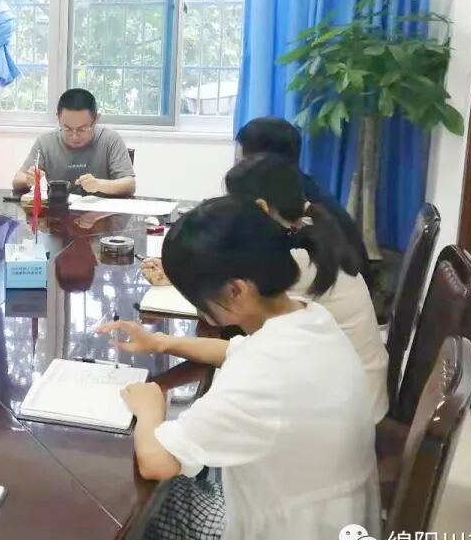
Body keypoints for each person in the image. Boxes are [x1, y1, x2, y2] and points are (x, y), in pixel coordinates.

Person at [99, 197, 379, 540]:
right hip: (323, 522)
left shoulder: (262, 375)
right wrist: (161, 343)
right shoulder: (307, 317)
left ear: (235, 291)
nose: (202, 313)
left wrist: (150, 409)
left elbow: (157, 462)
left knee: (141, 524)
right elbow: (234, 350)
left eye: (200, 303)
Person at [142, 154, 389, 424]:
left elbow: (223, 304)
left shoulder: (289, 261)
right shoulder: (307, 234)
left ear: (260, 208)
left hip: (346, 413)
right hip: (350, 393)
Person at [236, 116, 369, 268]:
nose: (237, 169)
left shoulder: (288, 208)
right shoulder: (304, 188)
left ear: (259, 162)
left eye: (241, 161)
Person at [11, 88, 136, 196]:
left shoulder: (110, 139)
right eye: (67, 129)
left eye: (82, 129)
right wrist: (28, 179)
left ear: (96, 119)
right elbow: (17, 180)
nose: (74, 136)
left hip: (102, 212)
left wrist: (99, 185)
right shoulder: (46, 142)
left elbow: (129, 184)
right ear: (58, 118)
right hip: (59, 211)